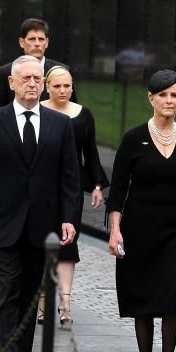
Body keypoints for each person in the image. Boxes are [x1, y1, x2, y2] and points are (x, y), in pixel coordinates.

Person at [0, 55, 81, 352]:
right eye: (26, 78)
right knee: (8, 289)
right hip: (3, 222)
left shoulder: (60, 125)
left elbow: (69, 177)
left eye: (37, 79)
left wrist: (68, 219)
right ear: (12, 83)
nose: (33, 84)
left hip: (41, 226)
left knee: (32, 292)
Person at [107, 70, 176, 352]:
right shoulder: (134, 138)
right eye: (163, 95)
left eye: (174, 95)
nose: (169, 100)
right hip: (138, 230)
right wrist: (115, 230)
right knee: (144, 298)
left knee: (172, 296)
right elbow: (118, 190)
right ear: (151, 98)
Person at [40, 65, 109, 325]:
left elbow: (90, 154)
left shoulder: (83, 115)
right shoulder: (38, 111)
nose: (62, 91)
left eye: (67, 86)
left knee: (68, 243)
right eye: (57, 86)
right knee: (42, 243)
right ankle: (43, 301)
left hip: (70, 189)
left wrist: (97, 185)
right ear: (47, 87)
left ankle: (65, 302)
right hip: (41, 188)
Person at [0, 18, 72, 111]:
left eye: (41, 39)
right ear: (22, 42)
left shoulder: (61, 70)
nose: (37, 44)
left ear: (46, 42)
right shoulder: (5, 72)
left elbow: (72, 108)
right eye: (32, 39)